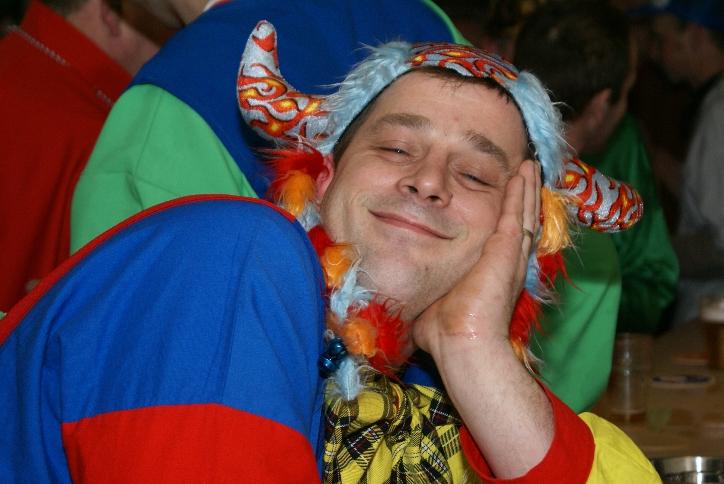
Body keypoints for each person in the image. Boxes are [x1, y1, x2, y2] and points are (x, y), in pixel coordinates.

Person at [1, 21, 659, 481]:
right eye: (395, 148)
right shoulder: (228, 259)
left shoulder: (451, 400)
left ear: (521, 236)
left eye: (476, 175)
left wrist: (474, 350)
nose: (427, 180)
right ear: (322, 179)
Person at [515, 2, 679, 336]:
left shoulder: (484, 172)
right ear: (601, 105)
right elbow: (654, 284)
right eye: (628, 93)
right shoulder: (594, 249)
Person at [0, 0, 159, 312]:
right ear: (112, 12)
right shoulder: (108, 133)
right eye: (169, 20)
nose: (173, 41)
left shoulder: (17, 58)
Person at [644, 0, 724, 324]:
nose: (653, 52)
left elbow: (720, 245)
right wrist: (660, 163)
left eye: (660, 39)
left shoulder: (718, 112)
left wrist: (644, 253)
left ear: (695, 34)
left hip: (710, 316)